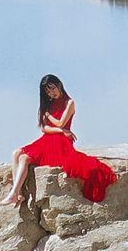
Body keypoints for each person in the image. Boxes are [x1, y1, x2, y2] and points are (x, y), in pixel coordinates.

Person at [8, 72, 116, 206]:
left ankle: (14, 194)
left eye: (52, 88)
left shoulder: (69, 102)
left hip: (60, 142)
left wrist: (50, 117)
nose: (51, 93)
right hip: (48, 138)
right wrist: (61, 130)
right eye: (47, 91)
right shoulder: (49, 104)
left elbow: (61, 123)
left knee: (24, 158)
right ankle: (17, 194)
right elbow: (45, 129)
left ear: (59, 85)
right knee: (16, 153)